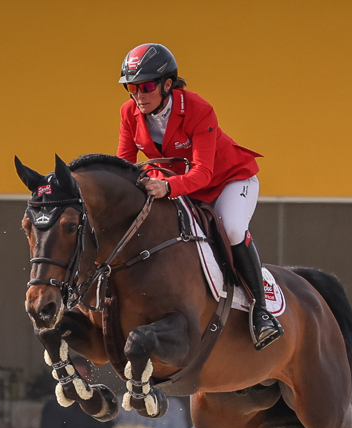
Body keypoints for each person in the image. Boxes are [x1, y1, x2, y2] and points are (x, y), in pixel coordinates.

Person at [114, 43, 280, 349]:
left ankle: (261, 311)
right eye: (131, 88)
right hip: (180, 187)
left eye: (146, 86)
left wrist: (167, 187)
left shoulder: (198, 109)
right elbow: (125, 167)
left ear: (167, 84)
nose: (138, 95)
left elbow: (204, 172)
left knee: (230, 227)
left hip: (229, 180)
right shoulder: (129, 113)